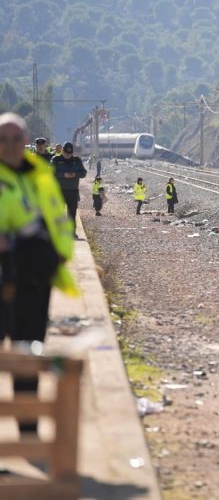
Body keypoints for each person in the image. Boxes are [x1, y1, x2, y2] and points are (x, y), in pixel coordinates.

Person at [0, 112, 78, 435]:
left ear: (27, 140)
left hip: (33, 277)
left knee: (27, 356)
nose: (10, 145)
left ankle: (28, 432)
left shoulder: (41, 174)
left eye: (16, 138)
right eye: (3, 139)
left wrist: (61, 253)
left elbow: (56, 217)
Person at [51, 142, 87, 232]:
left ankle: (71, 232)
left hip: (73, 191)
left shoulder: (77, 160)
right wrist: (63, 175)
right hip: (59, 191)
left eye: (70, 154)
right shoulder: (56, 160)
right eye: (66, 154)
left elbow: (83, 173)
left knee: (72, 213)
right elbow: (51, 173)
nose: (68, 156)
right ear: (63, 151)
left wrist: (75, 174)